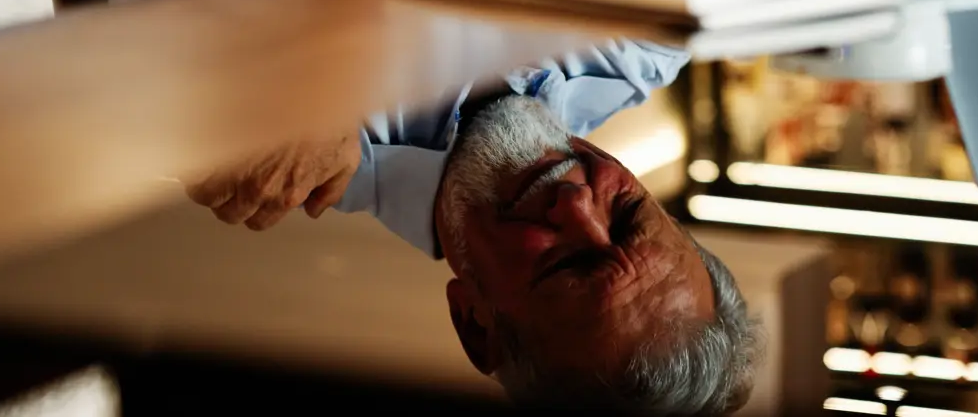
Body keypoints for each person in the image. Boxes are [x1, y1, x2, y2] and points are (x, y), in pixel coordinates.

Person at [185, 41, 762, 414]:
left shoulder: (257, 149)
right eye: (630, 213)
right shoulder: (643, 40)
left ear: (474, 325)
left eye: (565, 265)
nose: (576, 203)